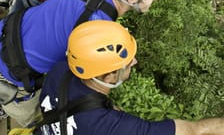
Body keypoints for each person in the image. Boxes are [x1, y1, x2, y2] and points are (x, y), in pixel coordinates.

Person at [0, 0, 163, 133]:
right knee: (20, 115)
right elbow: (82, 78)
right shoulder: (98, 27)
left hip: (6, 32)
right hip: (11, 71)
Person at [37, 20, 224, 135]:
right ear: (109, 76)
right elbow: (196, 131)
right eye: (127, 63)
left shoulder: (60, 70)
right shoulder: (112, 127)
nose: (134, 62)